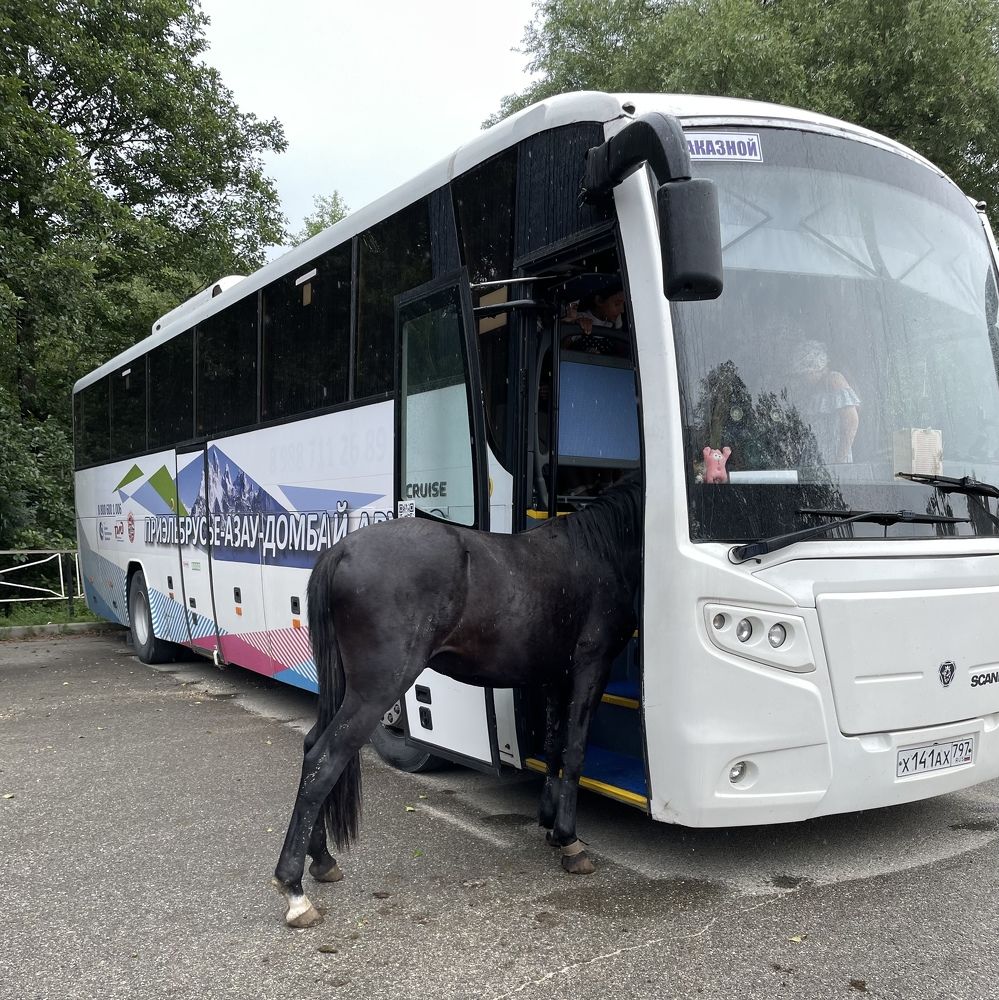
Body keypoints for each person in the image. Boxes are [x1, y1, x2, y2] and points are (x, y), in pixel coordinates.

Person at [786, 339, 860, 464]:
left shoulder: (833, 380)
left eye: (805, 374)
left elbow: (851, 420)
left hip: (833, 464)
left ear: (815, 368)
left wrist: (840, 461)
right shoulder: (813, 390)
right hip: (816, 462)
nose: (803, 379)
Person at [561, 279, 629, 357]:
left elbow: (622, 351)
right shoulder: (580, 318)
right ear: (599, 301)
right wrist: (575, 327)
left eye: (623, 304)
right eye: (617, 304)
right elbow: (563, 348)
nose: (622, 310)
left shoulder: (616, 321)